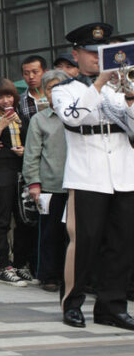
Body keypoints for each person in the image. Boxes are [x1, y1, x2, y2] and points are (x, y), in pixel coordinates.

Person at [52, 22, 134, 330]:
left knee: (122, 244)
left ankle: (112, 307)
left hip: (125, 174)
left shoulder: (122, 87)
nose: (98, 58)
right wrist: (98, 84)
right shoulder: (65, 88)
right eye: (91, 52)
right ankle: (72, 302)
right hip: (87, 175)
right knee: (83, 243)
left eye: (103, 52)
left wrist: (130, 99)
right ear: (76, 55)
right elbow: (74, 117)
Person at [0, 77, 36, 287]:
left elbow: (33, 142)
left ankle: (21, 264)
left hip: (22, 171)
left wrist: (25, 151)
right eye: (0, 97)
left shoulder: (22, 117)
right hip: (2, 170)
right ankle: (4, 266)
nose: (5, 100)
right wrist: (1, 124)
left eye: (9, 95)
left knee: (24, 219)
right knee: (2, 219)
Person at [22, 69, 69, 293]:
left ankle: (74, 275)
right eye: (50, 88)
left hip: (77, 185)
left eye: (59, 87)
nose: (55, 92)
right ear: (45, 92)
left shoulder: (77, 115)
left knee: (75, 234)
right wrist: (34, 183)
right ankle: (49, 275)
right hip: (49, 185)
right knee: (50, 234)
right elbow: (31, 154)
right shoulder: (39, 119)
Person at [18, 55, 49, 122]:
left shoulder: (54, 96)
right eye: (26, 73)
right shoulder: (19, 101)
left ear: (45, 72)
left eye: (35, 72)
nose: (31, 77)